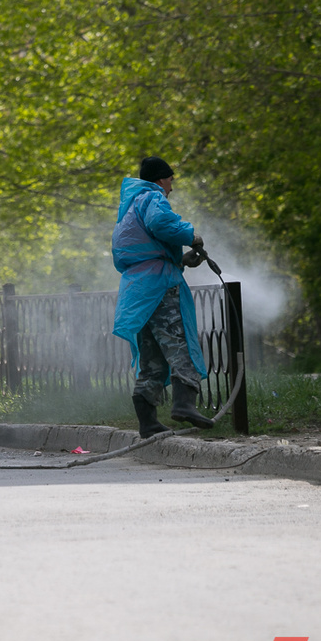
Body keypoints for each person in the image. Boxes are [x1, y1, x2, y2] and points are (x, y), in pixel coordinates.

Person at [111, 156, 214, 438]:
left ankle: (148, 422)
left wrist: (179, 260)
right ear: (159, 180)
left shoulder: (129, 208)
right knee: (180, 343)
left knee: (152, 357)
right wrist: (191, 235)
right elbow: (162, 224)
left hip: (137, 292)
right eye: (170, 180)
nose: (171, 187)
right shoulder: (152, 198)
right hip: (159, 286)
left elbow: (146, 249)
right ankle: (184, 405)